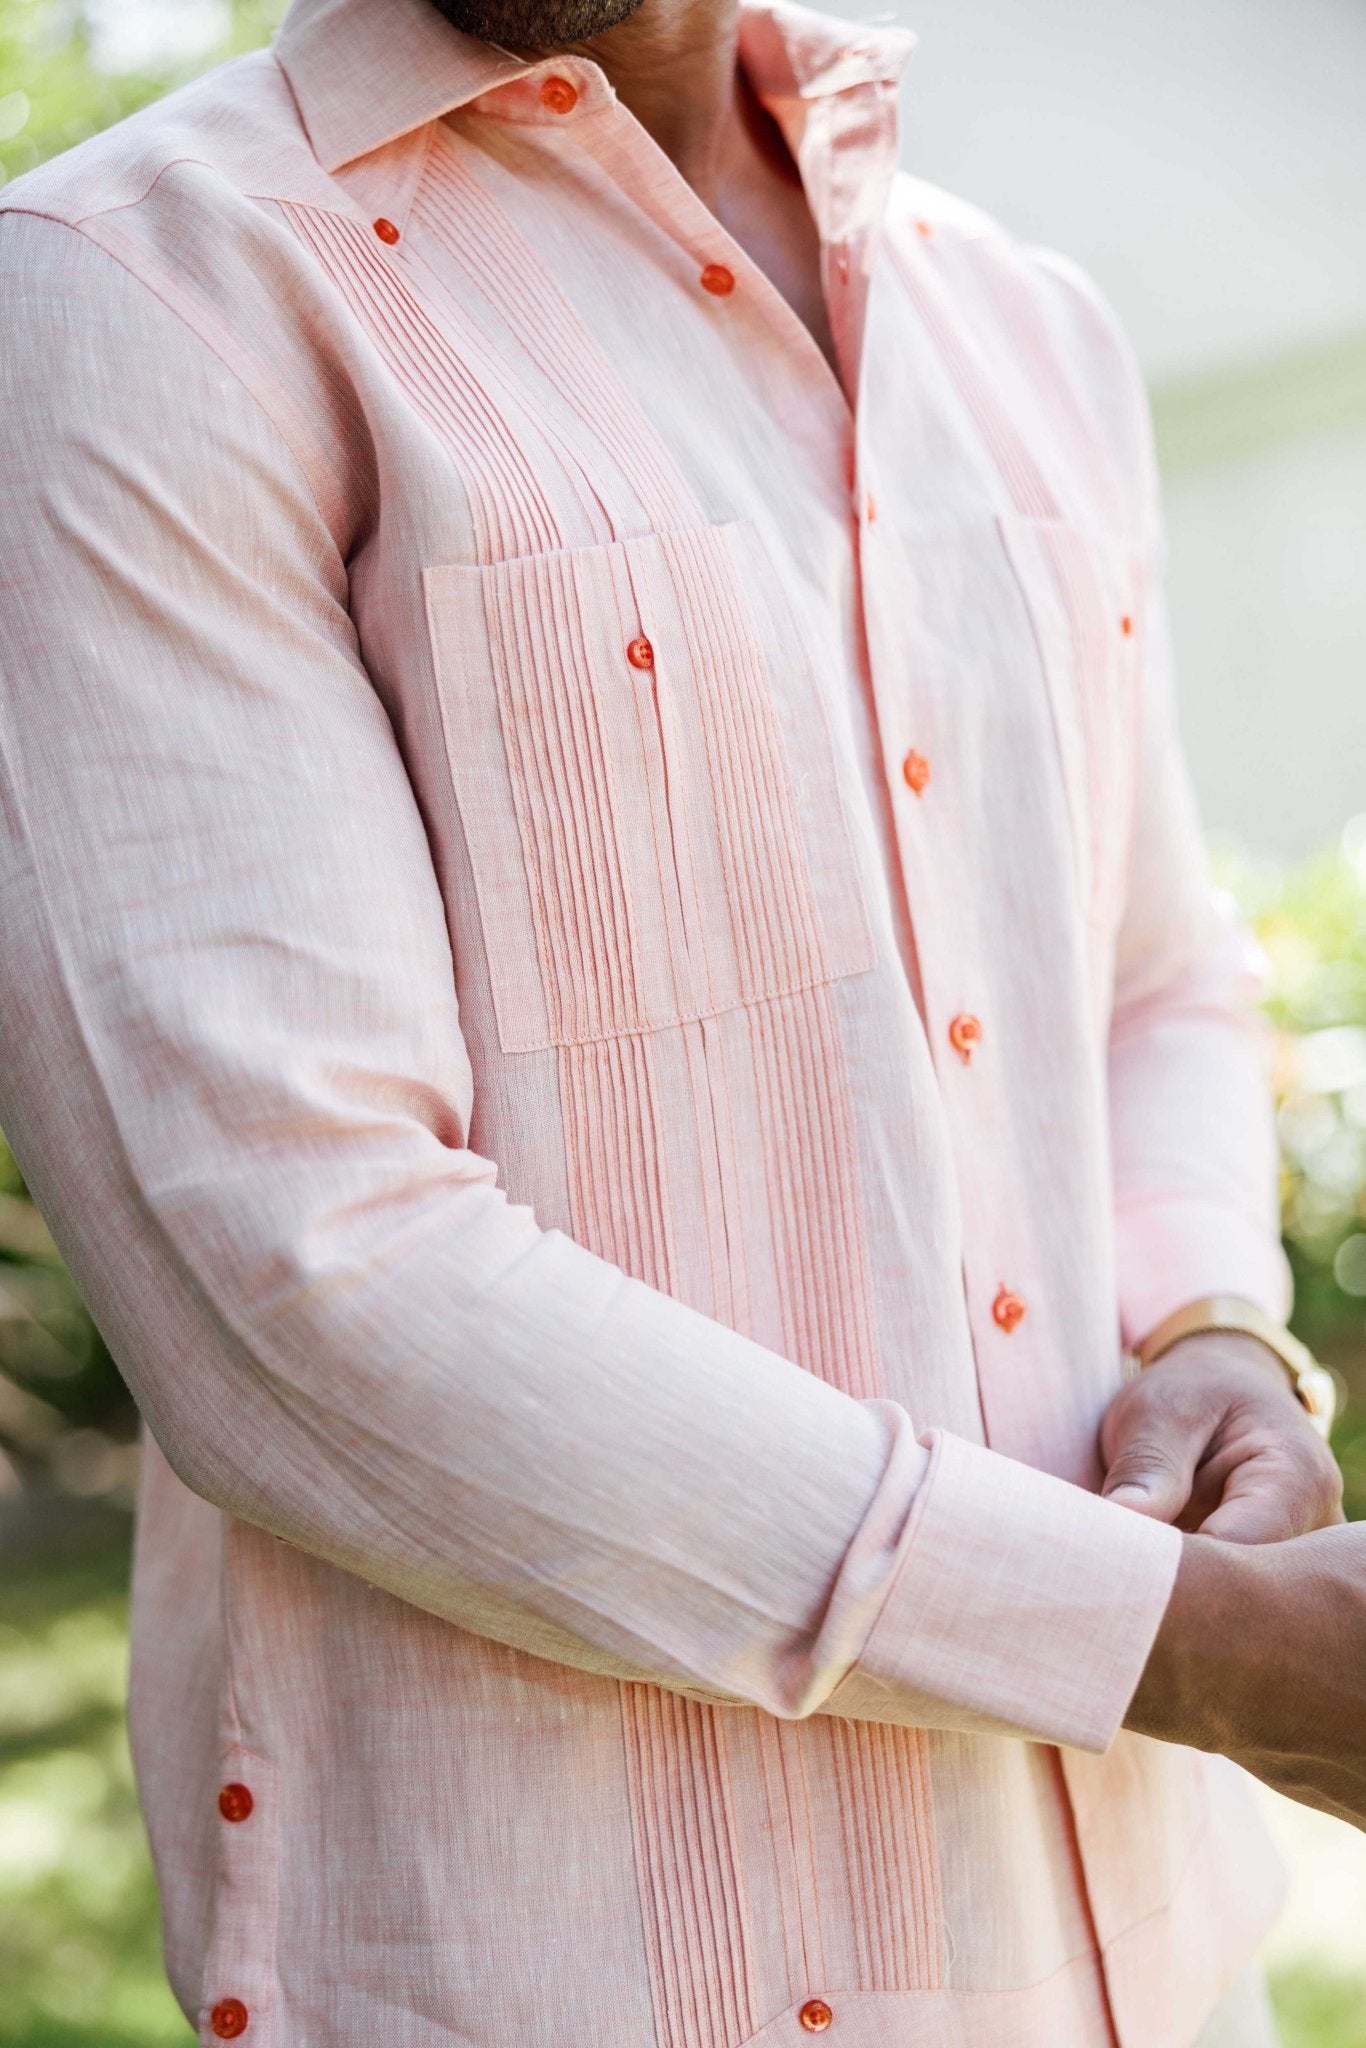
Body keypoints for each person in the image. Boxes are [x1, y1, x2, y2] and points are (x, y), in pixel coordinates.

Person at [1, 0, 1363, 2040]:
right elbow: (303, 1268)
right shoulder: (136, 298)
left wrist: (1211, 1336)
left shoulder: (1019, 316)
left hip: (1146, 1963)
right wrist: (1197, 1647)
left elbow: (1147, 975)